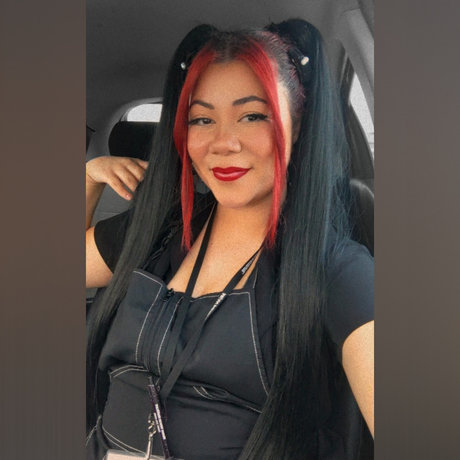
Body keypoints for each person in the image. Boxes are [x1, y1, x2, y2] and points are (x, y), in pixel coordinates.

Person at [86, 19, 374, 460]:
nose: (223, 143)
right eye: (202, 119)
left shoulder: (336, 270)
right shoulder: (155, 230)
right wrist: (87, 180)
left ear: (297, 124)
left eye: (252, 115)